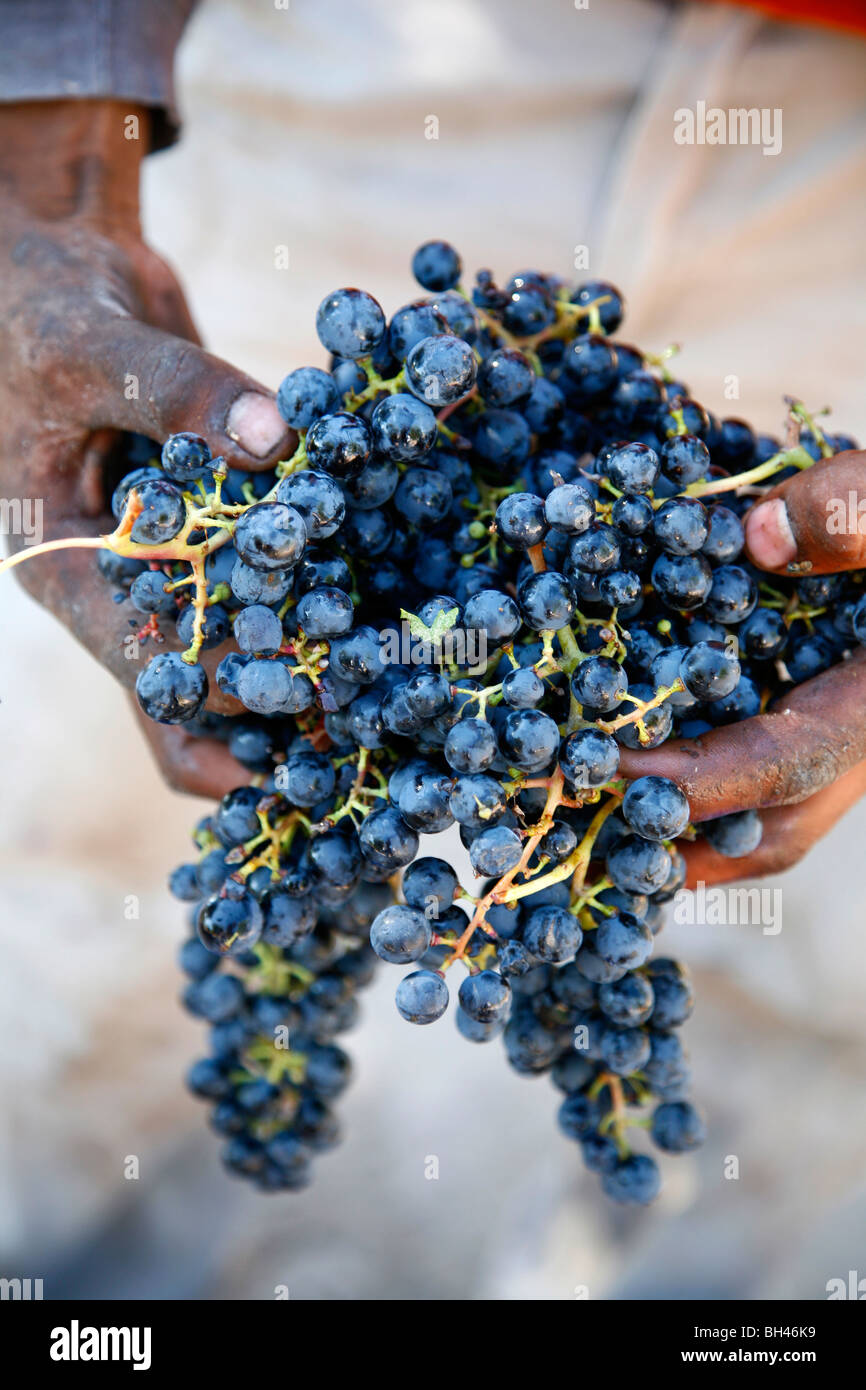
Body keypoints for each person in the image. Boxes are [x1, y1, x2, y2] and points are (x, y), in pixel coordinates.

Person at [0, 0, 864, 1298]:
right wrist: (43, 130)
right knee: (91, 871)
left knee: (796, 1016)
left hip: (838, 207)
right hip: (365, 58)